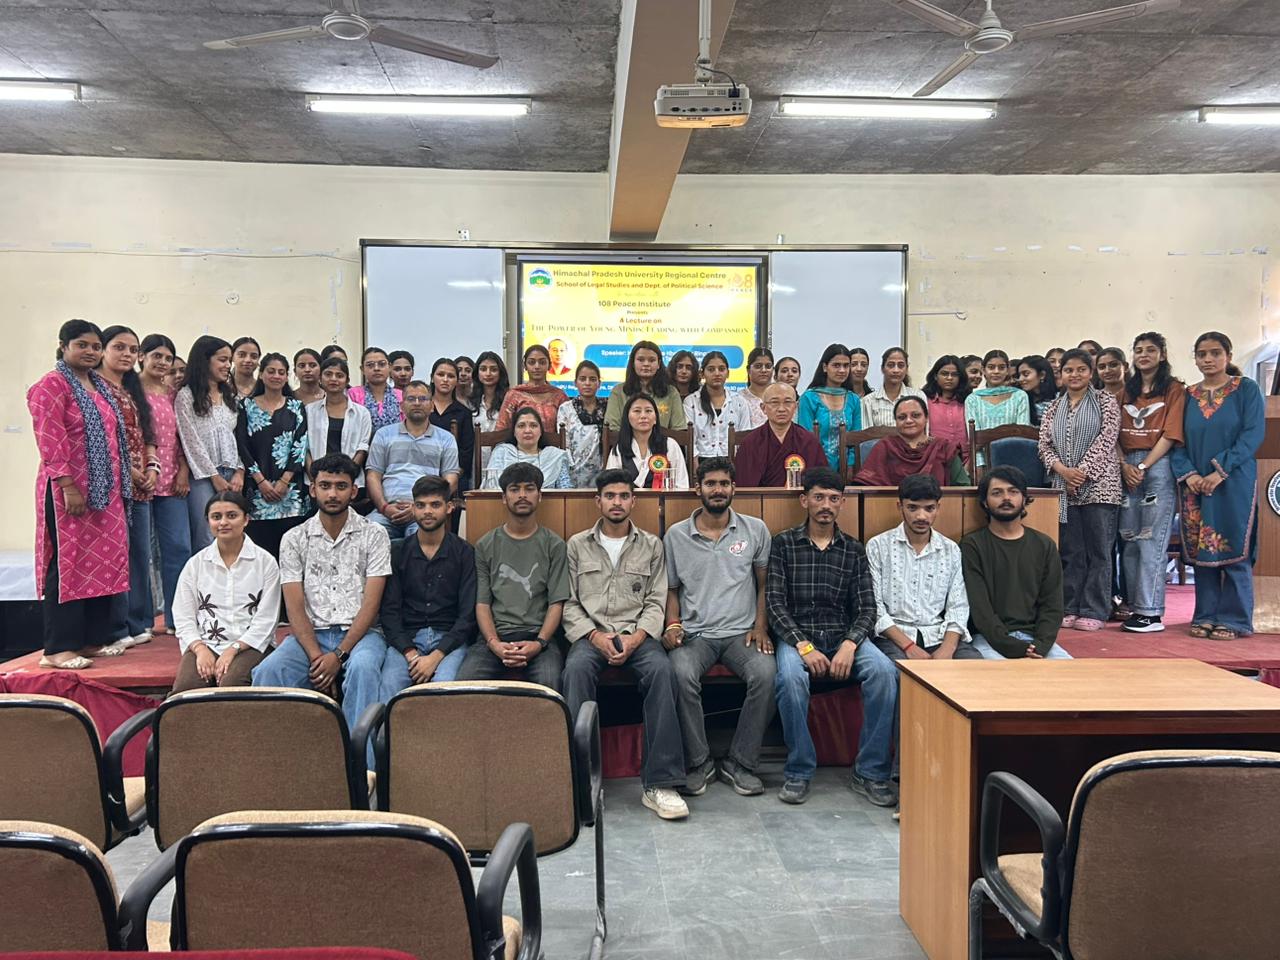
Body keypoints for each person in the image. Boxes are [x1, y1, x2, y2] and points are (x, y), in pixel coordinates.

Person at [767, 467, 897, 807]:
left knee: (885, 673)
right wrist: (804, 646)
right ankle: (799, 770)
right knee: (790, 679)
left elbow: (867, 608)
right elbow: (775, 605)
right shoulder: (783, 544)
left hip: (844, 636)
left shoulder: (853, 549)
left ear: (842, 503)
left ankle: (870, 772)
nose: (826, 505)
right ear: (804, 500)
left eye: (834, 499)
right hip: (798, 637)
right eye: (819, 497)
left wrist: (850, 645)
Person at [563, 469, 686, 820]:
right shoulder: (577, 545)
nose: (616, 502)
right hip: (591, 635)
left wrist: (636, 639)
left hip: (638, 635)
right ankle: (577, 781)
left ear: (633, 500)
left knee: (663, 672)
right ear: (597, 501)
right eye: (610, 496)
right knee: (574, 671)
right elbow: (569, 602)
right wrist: (594, 636)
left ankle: (660, 783)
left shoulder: (651, 545)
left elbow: (656, 601)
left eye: (623, 496)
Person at [252, 453, 390, 738]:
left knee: (363, 669)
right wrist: (318, 658)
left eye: (341, 486)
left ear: (354, 491)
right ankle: (277, 757)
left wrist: (338, 656)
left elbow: (371, 603)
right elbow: (294, 606)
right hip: (310, 636)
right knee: (269, 671)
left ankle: (359, 761)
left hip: (362, 635)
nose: (333, 494)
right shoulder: (294, 538)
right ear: (313, 489)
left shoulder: (374, 534)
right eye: (325, 486)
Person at [664, 458, 776, 797]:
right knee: (679, 673)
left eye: (724, 483)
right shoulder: (676, 535)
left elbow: (764, 584)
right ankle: (699, 762)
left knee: (767, 674)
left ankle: (740, 762)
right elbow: (671, 590)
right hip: (696, 634)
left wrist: (760, 626)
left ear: (734, 488)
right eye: (710, 483)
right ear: (697, 489)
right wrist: (672, 624)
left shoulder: (755, 529)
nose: (717, 490)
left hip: (742, 633)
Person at [28, 319, 132, 669]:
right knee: (69, 564)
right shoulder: (51, 385)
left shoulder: (100, 386)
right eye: (82, 345)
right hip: (69, 491)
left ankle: (90, 640)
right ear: (63, 346)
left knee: (103, 562)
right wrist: (67, 485)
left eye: (95, 346)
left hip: (106, 493)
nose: (90, 351)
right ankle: (58, 649)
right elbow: (50, 438)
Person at [1173, 331, 1265, 640]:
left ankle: (1235, 619)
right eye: (1202, 354)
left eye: (1215, 353)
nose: (1208, 359)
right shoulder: (1187, 395)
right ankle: (1205, 615)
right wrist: (1190, 475)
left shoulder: (1246, 390)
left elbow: (1252, 434)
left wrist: (1219, 471)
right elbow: (1176, 440)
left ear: (1228, 355)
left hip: (1234, 480)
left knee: (1233, 548)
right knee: (1202, 551)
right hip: (1195, 485)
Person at [456, 462, 568, 690]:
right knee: (465, 686)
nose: (522, 495)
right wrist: (494, 643)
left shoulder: (554, 545)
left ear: (540, 496)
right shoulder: (486, 544)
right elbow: (482, 604)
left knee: (550, 686)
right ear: (504, 498)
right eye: (515, 489)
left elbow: (556, 603)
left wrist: (539, 643)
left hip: (539, 638)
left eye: (529, 488)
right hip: (494, 638)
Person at [1038, 348, 1122, 631]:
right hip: (1064, 487)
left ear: (1091, 372)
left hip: (1100, 485)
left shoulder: (1105, 401)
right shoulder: (1053, 407)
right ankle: (1071, 606)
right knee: (1072, 551)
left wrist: (1081, 473)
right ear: (1061, 374)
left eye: (1081, 369)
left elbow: (1107, 440)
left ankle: (1095, 609)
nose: (1074, 375)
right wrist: (1064, 472)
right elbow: (1044, 445)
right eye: (1068, 370)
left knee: (1099, 550)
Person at [170, 491, 280, 695]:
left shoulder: (265, 562)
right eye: (216, 517)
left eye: (232, 515)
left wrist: (233, 649)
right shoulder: (196, 564)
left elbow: (267, 620)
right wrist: (200, 649)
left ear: (246, 519)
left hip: (251, 645)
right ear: (208, 521)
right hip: (206, 643)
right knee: (186, 690)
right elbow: (183, 616)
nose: (223, 522)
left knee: (232, 684)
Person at [377, 475, 476, 698]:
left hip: (449, 641)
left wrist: (436, 656)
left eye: (435, 505)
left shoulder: (464, 553)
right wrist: (410, 653)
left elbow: (467, 616)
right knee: (389, 686)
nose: (427, 511)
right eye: (421, 505)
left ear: (449, 507)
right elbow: (390, 612)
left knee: (445, 688)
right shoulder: (398, 552)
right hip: (407, 640)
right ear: (413, 508)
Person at [866, 475, 980, 662]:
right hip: (893, 637)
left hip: (938, 635)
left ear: (938, 508)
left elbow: (958, 606)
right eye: (912, 508)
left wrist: (948, 649)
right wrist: (909, 647)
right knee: (895, 670)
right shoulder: (878, 546)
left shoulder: (950, 549)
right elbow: (874, 607)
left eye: (929, 508)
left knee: (974, 667)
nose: (921, 516)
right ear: (900, 507)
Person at [1117, 331, 1186, 633]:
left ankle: (1151, 613)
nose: (1143, 355)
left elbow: (1171, 434)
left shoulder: (1174, 389)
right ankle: (1136, 606)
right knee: (1129, 539)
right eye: (1139, 350)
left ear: (1162, 355)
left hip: (1158, 464)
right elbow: (1112, 433)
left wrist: (1143, 466)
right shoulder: (1125, 391)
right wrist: (1124, 465)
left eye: (1150, 350)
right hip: (1126, 466)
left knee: (1151, 539)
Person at [961, 467, 1069, 659]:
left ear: (1024, 498)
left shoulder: (1044, 545)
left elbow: (1052, 605)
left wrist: (1040, 645)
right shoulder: (972, 546)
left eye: (1013, 491)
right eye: (997, 493)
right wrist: (1014, 647)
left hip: (1035, 640)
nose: (1006, 498)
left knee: (1071, 673)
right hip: (989, 640)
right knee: (998, 674)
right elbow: (980, 610)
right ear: (985, 502)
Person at [98, 326, 158, 648]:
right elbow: (102, 440)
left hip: (141, 486)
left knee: (140, 555)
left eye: (133, 350)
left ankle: (137, 622)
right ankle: (116, 627)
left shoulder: (132, 388)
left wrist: (151, 468)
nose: (127, 354)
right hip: (112, 485)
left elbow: (148, 434)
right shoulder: (95, 387)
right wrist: (130, 470)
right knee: (116, 555)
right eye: (119, 347)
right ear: (103, 350)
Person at [139, 333, 193, 637]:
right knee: (140, 553)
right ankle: (141, 620)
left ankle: (176, 617)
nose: (162, 362)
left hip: (172, 482)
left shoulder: (174, 395)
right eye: (156, 356)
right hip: (140, 481)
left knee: (179, 548)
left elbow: (180, 437)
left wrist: (183, 471)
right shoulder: (130, 392)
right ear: (142, 357)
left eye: (167, 358)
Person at [235, 353, 310, 559]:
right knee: (261, 553)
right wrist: (261, 482)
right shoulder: (246, 406)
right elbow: (242, 446)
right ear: (261, 374)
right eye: (271, 371)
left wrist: (284, 481)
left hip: (291, 492)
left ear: (287, 377)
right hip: (257, 490)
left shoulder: (296, 407)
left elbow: (300, 445)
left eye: (281, 372)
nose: (276, 376)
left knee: (291, 554)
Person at [366, 380, 462, 537]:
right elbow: (373, 476)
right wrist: (384, 508)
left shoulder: (446, 439)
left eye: (423, 399)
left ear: (432, 406)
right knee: (369, 533)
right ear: (401, 406)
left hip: (426, 512)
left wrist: (421, 507)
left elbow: (451, 481)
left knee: (421, 539)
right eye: (411, 399)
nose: (417, 403)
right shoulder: (383, 434)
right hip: (386, 511)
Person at [175, 335, 243, 551]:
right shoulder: (186, 396)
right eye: (222, 360)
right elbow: (190, 441)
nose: (228, 365)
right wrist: (214, 476)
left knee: (232, 534)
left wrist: (240, 471)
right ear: (204, 360)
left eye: (229, 360)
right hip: (202, 476)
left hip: (231, 473)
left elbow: (238, 438)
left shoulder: (231, 396)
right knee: (206, 536)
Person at [853, 396, 970, 486]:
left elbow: (963, 486)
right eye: (902, 417)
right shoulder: (885, 446)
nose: (909, 421)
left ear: (926, 418)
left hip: (939, 507)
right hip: (888, 506)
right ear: (896, 421)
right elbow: (865, 484)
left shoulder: (943, 448)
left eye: (915, 415)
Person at [734, 382, 828, 487]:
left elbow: (822, 482)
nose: (781, 409)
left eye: (787, 402)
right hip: (761, 497)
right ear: (763, 408)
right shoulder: (750, 443)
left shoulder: (809, 441)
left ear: (796, 407)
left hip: (800, 497)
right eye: (774, 403)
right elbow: (743, 485)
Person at [305, 356, 372, 491]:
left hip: (351, 483)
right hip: (315, 483)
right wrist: (315, 478)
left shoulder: (362, 413)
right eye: (328, 374)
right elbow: (305, 448)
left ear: (347, 380)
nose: (333, 379)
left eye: (339, 375)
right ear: (320, 378)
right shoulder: (309, 411)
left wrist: (347, 477)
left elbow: (362, 448)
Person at [796, 343, 861, 472]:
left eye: (846, 366)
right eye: (836, 365)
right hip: (815, 467)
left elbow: (856, 437)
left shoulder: (854, 399)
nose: (842, 370)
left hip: (847, 470)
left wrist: (850, 467)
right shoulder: (809, 398)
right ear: (825, 367)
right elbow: (805, 438)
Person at [605, 393, 690, 489]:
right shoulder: (619, 448)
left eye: (648, 411)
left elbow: (682, 485)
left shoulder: (670, 445)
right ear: (627, 418)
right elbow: (610, 485)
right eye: (637, 411)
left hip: (663, 499)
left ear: (655, 418)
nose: (643, 416)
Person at [965, 349, 1031, 466]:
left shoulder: (1020, 396)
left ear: (1008, 370)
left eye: (1001, 368)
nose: (996, 372)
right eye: (991, 367)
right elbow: (975, 440)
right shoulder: (973, 399)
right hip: (983, 463)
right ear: (983, 370)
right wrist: (980, 465)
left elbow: (1022, 434)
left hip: (1015, 460)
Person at [605, 341, 689, 431]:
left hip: (663, 440)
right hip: (625, 440)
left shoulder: (671, 392)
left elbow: (679, 429)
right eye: (641, 360)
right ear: (633, 363)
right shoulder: (618, 391)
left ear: (659, 364)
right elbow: (612, 429)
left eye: (652, 360)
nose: (646, 364)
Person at [684, 350, 754, 458]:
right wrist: (694, 463)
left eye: (721, 369)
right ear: (702, 374)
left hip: (732, 460)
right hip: (701, 460)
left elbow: (745, 438)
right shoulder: (691, 401)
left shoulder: (739, 402)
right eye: (711, 369)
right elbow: (690, 440)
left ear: (728, 373)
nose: (717, 373)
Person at [485, 405, 573, 489]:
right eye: (521, 426)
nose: (527, 430)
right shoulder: (502, 453)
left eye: (533, 425)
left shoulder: (555, 456)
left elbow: (566, 490)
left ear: (541, 431)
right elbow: (491, 487)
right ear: (514, 432)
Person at [427, 357, 476, 499]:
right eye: (440, 374)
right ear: (432, 378)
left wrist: (451, 476)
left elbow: (466, 451)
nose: (445, 380)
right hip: (423, 470)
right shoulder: (422, 408)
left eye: (451, 376)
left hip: (454, 474)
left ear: (456, 381)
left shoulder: (464, 413)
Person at [495, 344, 568, 432]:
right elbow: (501, 430)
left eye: (542, 362)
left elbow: (567, 431)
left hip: (553, 441)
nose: (537, 366)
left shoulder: (559, 396)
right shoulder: (514, 395)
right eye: (531, 362)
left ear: (549, 365)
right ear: (525, 366)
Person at [557, 360, 606, 488]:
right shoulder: (565, 408)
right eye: (582, 379)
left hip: (602, 471)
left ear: (599, 383)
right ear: (575, 383)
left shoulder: (607, 406)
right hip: (574, 471)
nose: (587, 383)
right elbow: (564, 443)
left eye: (592, 379)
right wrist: (571, 466)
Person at [862, 347, 926, 428]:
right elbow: (866, 434)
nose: (896, 370)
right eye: (891, 365)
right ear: (882, 369)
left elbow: (925, 430)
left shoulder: (918, 396)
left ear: (907, 369)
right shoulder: (868, 401)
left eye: (901, 366)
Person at [348, 347, 402, 436]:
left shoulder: (401, 395)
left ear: (390, 367)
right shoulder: (353, 394)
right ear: (362, 369)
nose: (376, 368)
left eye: (382, 364)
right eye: (370, 365)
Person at [921, 355, 970, 451]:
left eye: (954, 374)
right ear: (935, 376)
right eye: (944, 374)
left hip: (965, 456)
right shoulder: (925, 400)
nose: (949, 378)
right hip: (934, 455)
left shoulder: (968, 401)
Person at [739, 347, 774, 428]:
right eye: (758, 366)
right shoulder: (739, 399)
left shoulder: (780, 396)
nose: (764, 370)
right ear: (748, 370)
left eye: (768, 366)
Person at [1018, 355, 1058, 425]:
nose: (1020, 379)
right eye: (1019, 375)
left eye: (1026, 374)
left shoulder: (1059, 399)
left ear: (1042, 375)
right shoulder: (1021, 400)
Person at [231, 336, 261, 402]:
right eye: (242, 355)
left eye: (254, 356)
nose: (248, 360)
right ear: (232, 356)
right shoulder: (221, 388)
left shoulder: (263, 389)